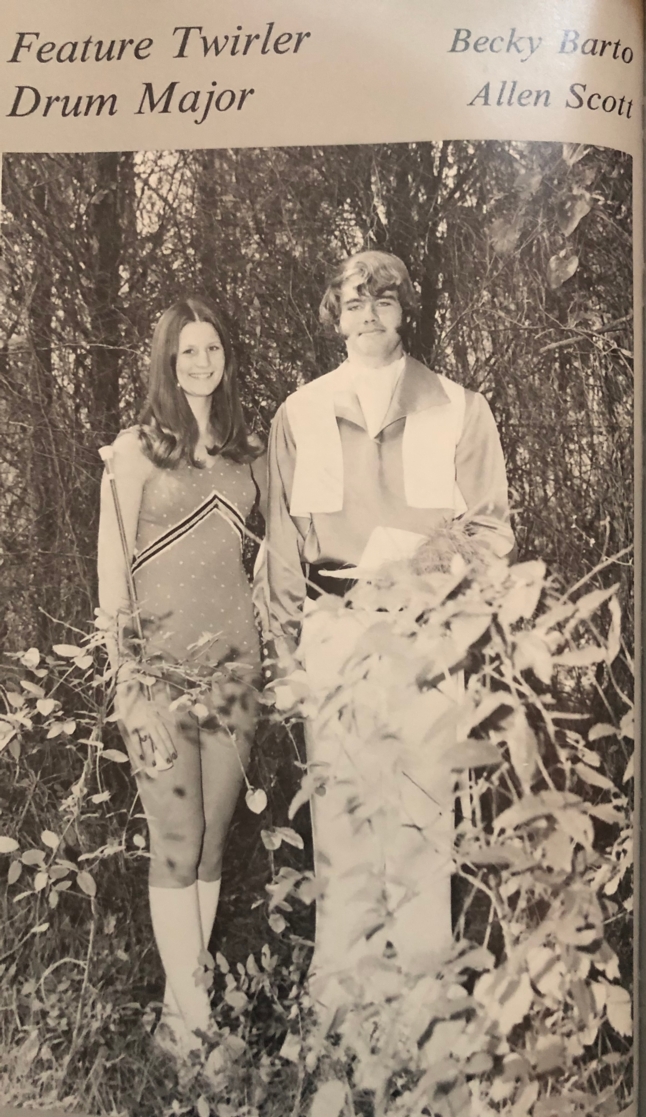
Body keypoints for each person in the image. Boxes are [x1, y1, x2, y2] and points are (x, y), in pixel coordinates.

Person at [260, 250, 515, 1011]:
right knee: (341, 822)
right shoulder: (299, 412)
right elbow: (282, 547)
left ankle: (424, 1011)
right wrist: (287, 656)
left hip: (424, 636)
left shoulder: (461, 408)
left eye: (384, 299)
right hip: (333, 632)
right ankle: (343, 1011)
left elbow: (492, 535)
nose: (368, 313)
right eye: (353, 301)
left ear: (405, 311)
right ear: (334, 317)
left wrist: (431, 592)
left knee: (421, 819)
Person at [97, 296, 265, 1058]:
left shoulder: (247, 452)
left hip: (235, 667)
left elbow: (286, 546)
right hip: (159, 669)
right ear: (166, 362)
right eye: (186, 351)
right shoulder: (133, 451)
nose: (201, 362)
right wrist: (128, 689)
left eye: (212, 348)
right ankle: (198, 1030)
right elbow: (113, 583)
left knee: (210, 846)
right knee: (175, 838)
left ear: (227, 356)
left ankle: (179, 1018)